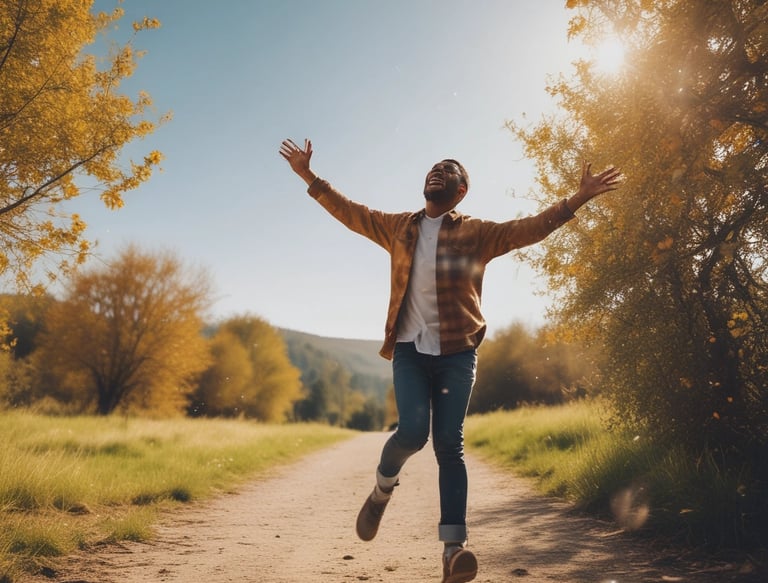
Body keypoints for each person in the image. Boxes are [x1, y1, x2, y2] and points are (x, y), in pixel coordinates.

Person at [279, 138, 620, 583]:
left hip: (458, 353)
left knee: (448, 445)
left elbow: (530, 227)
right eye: (433, 167)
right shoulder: (400, 227)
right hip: (408, 350)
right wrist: (308, 176)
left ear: (461, 191)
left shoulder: (477, 233)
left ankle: (453, 551)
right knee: (413, 430)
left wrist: (578, 198)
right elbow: (352, 213)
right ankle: (382, 491)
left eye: (449, 169)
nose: (437, 170)